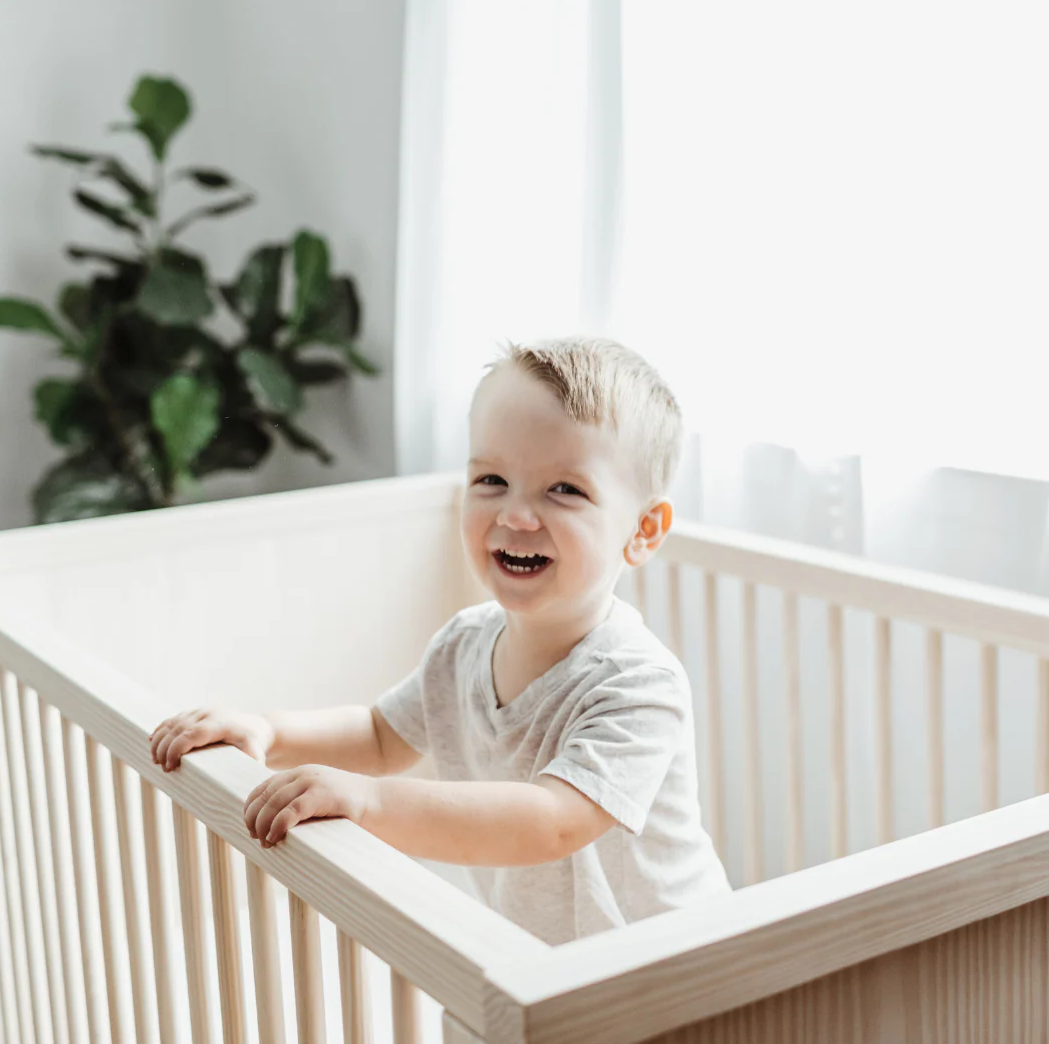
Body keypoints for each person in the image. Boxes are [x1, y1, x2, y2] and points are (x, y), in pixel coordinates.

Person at [150, 337, 730, 944]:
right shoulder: (464, 645)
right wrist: (268, 732)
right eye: (492, 479)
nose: (516, 515)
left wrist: (370, 804)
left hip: (684, 965)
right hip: (565, 965)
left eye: (565, 490)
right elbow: (379, 735)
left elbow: (553, 822)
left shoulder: (636, 684)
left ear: (642, 530)